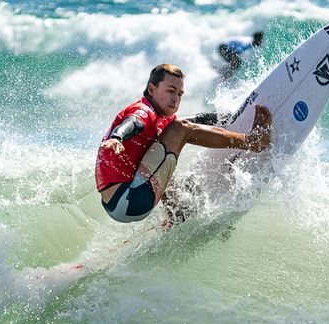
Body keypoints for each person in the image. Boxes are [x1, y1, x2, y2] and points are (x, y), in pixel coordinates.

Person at [95, 63, 271, 224]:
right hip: (130, 199)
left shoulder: (158, 116)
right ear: (151, 89)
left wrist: (227, 117)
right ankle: (253, 142)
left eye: (180, 94)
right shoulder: (143, 111)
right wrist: (118, 137)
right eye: (170, 91)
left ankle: (177, 214)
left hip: (117, 204)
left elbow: (195, 120)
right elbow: (134, 123)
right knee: (180, 129)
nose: (176, 99)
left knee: (172, 136)